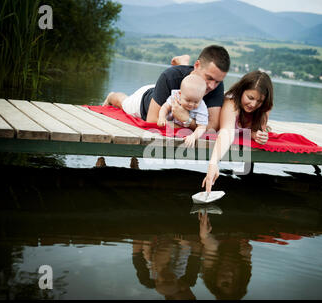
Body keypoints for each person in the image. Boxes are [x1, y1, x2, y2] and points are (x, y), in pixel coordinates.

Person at [102, 45, 230, 131]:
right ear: (197, 65)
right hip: (147, 99)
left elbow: (212, 127)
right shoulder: (170, 76)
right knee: (123, 102)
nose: (212, 86)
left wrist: (187, 120)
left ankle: (183, 63)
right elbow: (152, 120)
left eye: (217, 82)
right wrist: (191, 125)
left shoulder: (215, 85)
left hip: (176, 93)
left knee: (184, 77)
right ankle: (111, 95)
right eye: (209, 78)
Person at [202, 70, 274, 193]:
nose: (253, 104)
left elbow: (256, 130)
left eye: (259, 101)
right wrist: (213, 163)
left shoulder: (264, 107)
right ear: (241, 91)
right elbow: (226, 132)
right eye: (250, 98)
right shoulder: (231, 102)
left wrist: (257, 135)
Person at [158, 74, 208, 147]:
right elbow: (165, 107)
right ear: (180, 94)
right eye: (188, 100)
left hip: (185, 130)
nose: (191, 104)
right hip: (171, 124)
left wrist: (193, 136)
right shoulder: (176, 96)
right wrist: (161, 117)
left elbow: (202, 127)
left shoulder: (202, 108)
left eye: (196, 102)